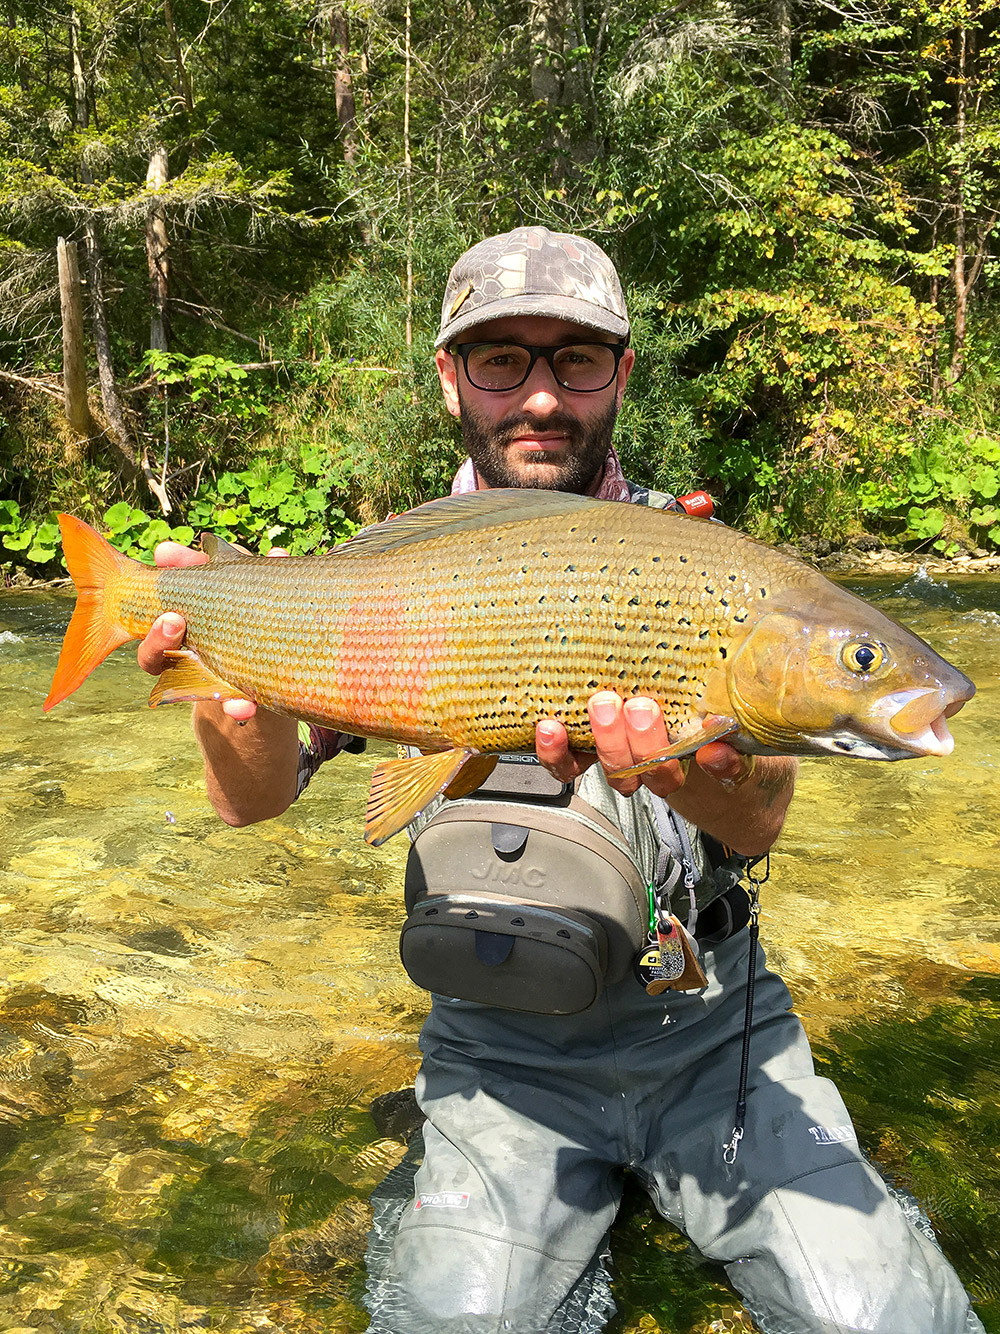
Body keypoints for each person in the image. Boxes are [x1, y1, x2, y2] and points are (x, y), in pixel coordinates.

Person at [138, 227, 984, 1334]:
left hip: (709, 1031)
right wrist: (231, 691)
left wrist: (686, 769)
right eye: (502, 359)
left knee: (884, 1319)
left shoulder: (708, 564)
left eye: (575, 360)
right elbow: (250, 799)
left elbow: (763, 813)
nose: (540, 394)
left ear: (620, 373)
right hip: (497, 1052)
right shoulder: (371, 568)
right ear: (450, 378)